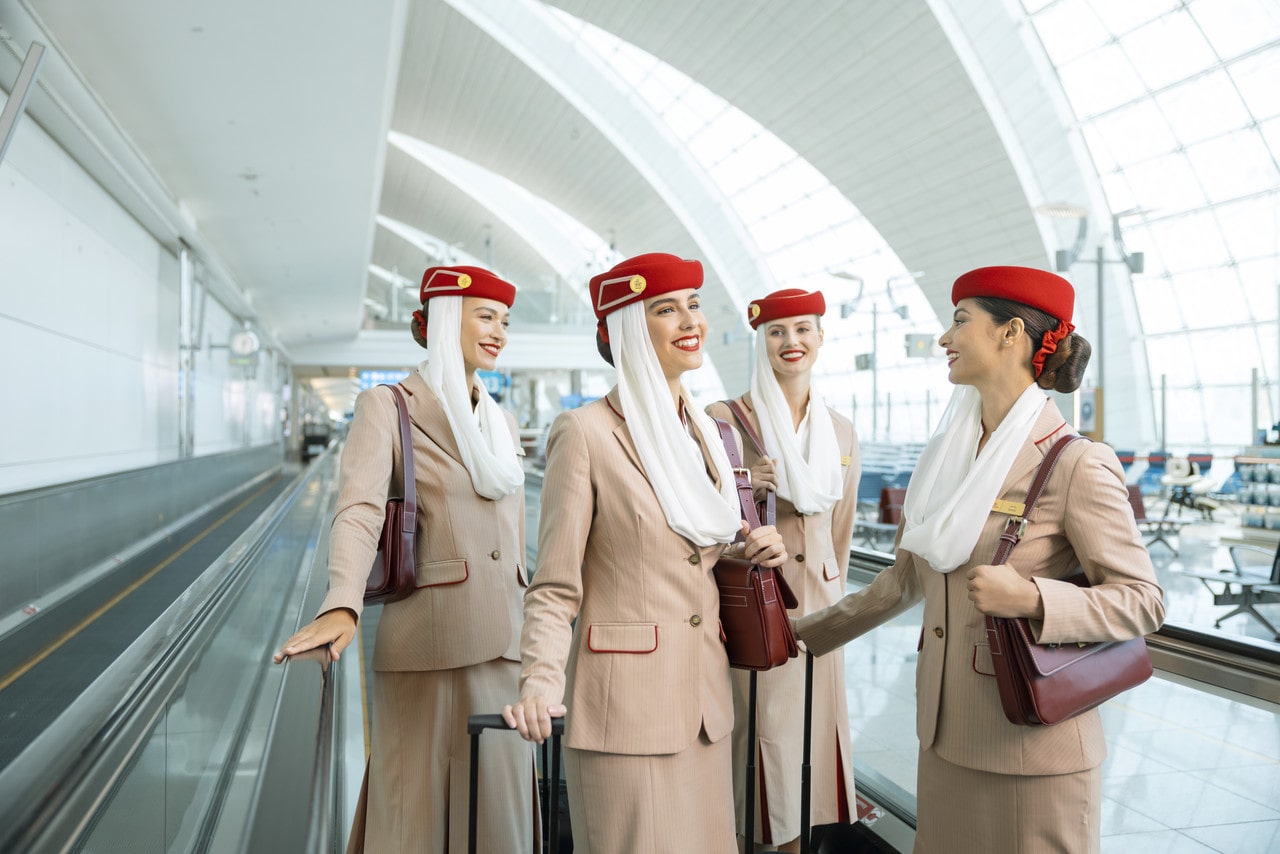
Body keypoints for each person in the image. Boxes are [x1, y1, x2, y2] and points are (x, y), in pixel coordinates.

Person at [795, 266, 1165, 853]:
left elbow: (1143, 602)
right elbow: (904, 581)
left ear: (1010, 332)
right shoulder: (950, 458)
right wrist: (800, 634)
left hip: (1031, 751)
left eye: (961, 321)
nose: (945, 338)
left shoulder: (1075, 463)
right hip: (946, 739)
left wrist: (1034, 599)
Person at [502, 252, 788, 854]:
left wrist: (749, 549)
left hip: (706, 707)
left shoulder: (709, 435)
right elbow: (555, 586)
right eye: (666, 309)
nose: (691, 321)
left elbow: (692, 555)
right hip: (624, 710)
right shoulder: (584, 434)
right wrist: (539, 683)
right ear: (632, 330)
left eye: (694, 305)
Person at [274, 266, 536, 853]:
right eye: (485, 316)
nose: (499, 331)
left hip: (507, 645)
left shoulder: (501, 422)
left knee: (500, 814)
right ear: (445, 321)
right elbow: (359, 511)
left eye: (505, 321)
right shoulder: (388, 406)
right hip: (430, 645)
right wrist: (343, 603)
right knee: (416, 809)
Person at [706, 288, 859, 853]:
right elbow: (695, 521)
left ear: (821, 336)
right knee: (761, 734)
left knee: (812, 736)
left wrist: (833, 588)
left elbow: (838, 530)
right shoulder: (724, 420)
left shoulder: (840, 430)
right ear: (760, 341)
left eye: (801, 329)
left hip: (820, 604)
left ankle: (800, 841)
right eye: (776, 331)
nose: (790, 342)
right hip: (759, 601)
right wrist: (742, 489)